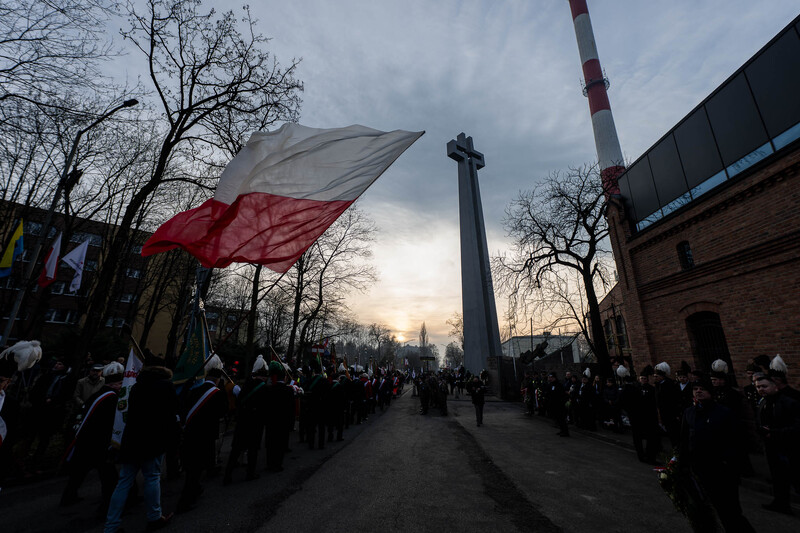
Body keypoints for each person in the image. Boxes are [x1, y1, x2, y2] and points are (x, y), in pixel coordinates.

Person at [104, 353, 178, 533]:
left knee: (124, 482)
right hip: (153, 439)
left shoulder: (137, 386)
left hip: (132, 439)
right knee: (152, 478)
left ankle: (111, 525)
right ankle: (154, 517)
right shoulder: (166, 385)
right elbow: (171, 414)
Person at [679, 374, 756, 532]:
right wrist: (682, 463)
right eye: (695, 389)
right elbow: (684, 439)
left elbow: (737, 440)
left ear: (710, 392)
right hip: (699, 468)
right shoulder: (689, 412)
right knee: (707, 508)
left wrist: (730, 463)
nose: (698, 391)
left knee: (730, 510)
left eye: (702, 389)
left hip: (722, 469)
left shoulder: (723, 412)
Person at [61, 362, 123, 515]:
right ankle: (107, 508)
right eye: (121, 383)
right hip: (98, 443)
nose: (122, 386)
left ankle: (68, 496)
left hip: (85, 440)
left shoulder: (98, 394)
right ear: (115, 384)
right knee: (109, 477)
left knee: (79, 471)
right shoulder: (112, 398)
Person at [177, 355, 227, 513]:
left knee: (192, 467)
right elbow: (222, 412)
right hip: (204, 435)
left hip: (189, 433)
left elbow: (183, 407)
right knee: (195, 469)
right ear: (217, 380)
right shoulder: (217, 393)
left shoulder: (194, 390)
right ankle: (185, 501)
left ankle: (196, 488)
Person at [755, 371, 800, 515]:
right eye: (758, 387)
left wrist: (774, 432)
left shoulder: (789, 402)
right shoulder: (763, 403)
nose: (761, 389)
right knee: (778, 478)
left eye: (764, 386)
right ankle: (781, 503)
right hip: (772, 447)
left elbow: (797, 427)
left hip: (789, 447)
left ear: (775, 386)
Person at [224, 355, 269, 484]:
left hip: (243, 421)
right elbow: (265, 408)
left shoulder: (246, 384)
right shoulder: (263, 388)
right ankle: (250, 473)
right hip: (255, 423)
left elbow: (239, 401)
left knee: (236, 449)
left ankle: (228, 475)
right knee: (253, 449)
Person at [619, 365, 660, 464]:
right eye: (642, 378)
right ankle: (641, 455)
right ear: (639, 379)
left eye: (645, 378)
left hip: (649, 416)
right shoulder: (634, 389)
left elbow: (654, 403)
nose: (643, 380)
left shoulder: (651, 389)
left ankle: (650, 456)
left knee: (651, 437)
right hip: (637, 417)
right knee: (638, 437)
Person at [546, 372, 569, 436]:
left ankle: (565, 432)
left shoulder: (559, 385)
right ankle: (562, 430)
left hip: (559, 405)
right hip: (553, 404)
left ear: (554, 378)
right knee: (557, 419)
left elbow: (562, 394)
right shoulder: (550, 384)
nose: (550, 379)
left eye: (551, 377)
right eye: (549, 377)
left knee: (561, 418)